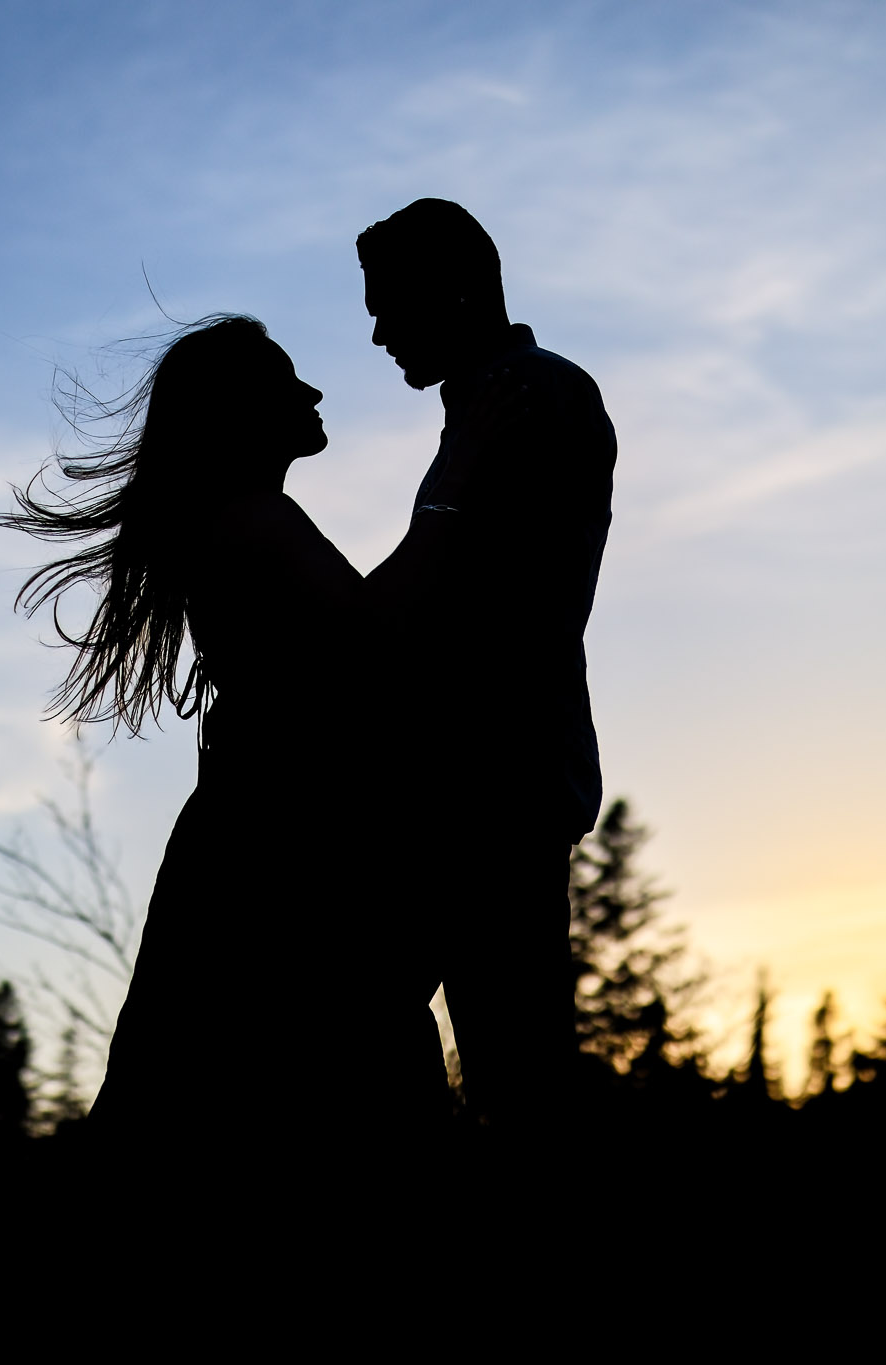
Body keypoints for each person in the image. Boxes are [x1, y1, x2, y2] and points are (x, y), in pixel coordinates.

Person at [0, 315, 450, 1165]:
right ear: (242, 410)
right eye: (287, 380)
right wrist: (453, 513)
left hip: (247, 848)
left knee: (197, 1105)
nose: (312, 393)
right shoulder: (258, 521)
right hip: (284, 861)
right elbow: (381, 648)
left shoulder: (235, 523)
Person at [359, 199, 617, 1140]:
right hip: (467, 784)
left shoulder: (536, 395)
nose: (377, 330)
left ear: (457, 290)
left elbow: (494, 606)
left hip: (491, 785)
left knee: (516, 1076)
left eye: (390, 304)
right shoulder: (485, 405)